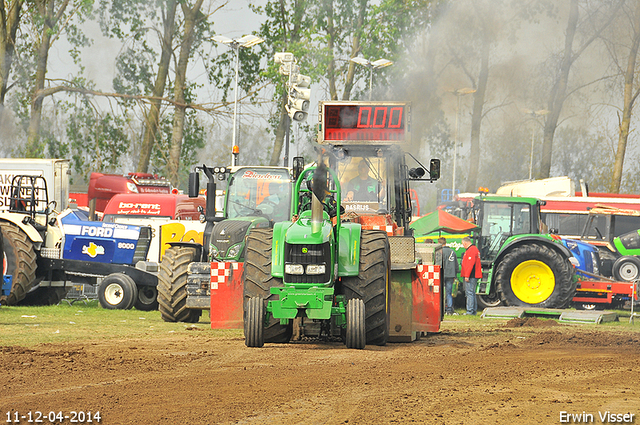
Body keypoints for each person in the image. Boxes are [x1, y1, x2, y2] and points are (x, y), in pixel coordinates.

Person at [460, 236, 481, 315]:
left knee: (469, 293)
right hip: (473, 275)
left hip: (471, 275)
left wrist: (467, 275)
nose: (463, 246)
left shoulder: (471, 250)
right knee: (472, 292)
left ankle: (470, 311)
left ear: (465, 243)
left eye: (463, 244)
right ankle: (473, 310)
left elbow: (470, 264)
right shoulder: (474, 249)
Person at [439, 237, 459, 315]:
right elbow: (456, 265)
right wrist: (455, 274)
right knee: (449, 293)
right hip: (451, 275)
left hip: (442, 274)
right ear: (445, 242)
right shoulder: (452, 252)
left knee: (440, 292)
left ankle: (441, 308)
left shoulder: (440, 252)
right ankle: (449, 309)